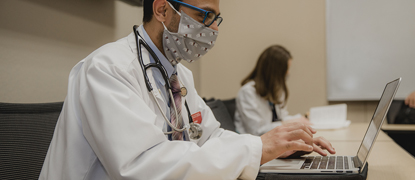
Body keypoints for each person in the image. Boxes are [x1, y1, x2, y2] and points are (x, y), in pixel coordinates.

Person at [39, 0, 335, 179]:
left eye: (215, 19)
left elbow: (210, 137)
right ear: (162, 9)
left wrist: (268, 149)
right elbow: (141, 167)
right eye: (204, 16)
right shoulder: (107, 69)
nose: (213, 29)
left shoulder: (179, 75)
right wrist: (255, 149)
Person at [234, 45, 311, 136]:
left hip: (274, 139)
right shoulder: (247, 92)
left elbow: (282, 117)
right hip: (254, 143)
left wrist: (300, 119)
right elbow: (257, 131)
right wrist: (288, 123)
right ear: (275, 71)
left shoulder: (276, 90)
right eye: (286, 69)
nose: (288, 73)